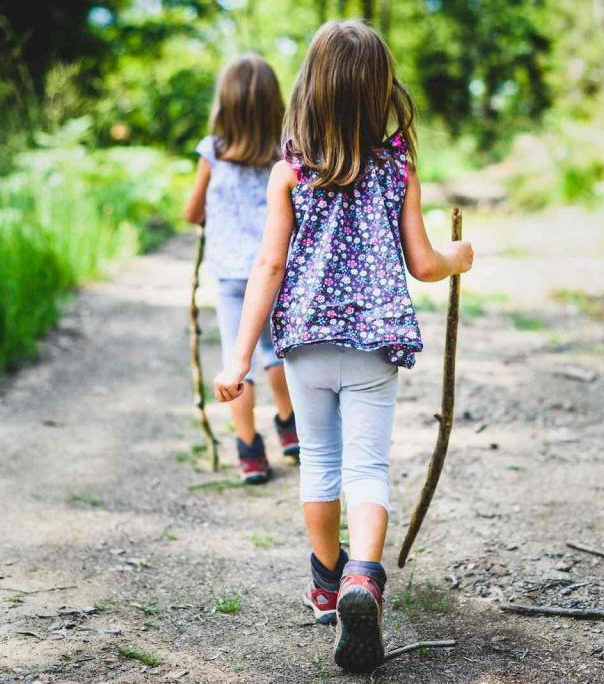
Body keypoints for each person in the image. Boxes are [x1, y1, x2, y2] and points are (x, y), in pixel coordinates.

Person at [213, 22, 474, 672]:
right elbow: (422, 263)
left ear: (311, 89)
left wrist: (240, 356)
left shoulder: (290, 172)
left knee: (320, 463)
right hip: (372, 341)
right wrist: (456, 257)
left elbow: (268, 268)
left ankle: (327, 585)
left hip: (301, 341)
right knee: (367, 467)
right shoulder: (397, 169)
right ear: (378, 91)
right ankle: (365, 576)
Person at [184, 54, 300, 485]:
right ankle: (290, 428)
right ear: (276, 104)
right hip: (275, 270)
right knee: (276, 352)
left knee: (240, 360)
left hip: (232, 276)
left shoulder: (212, 154)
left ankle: (250, 451)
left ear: (224, 105)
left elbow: (193, 212)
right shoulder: (285, 154)